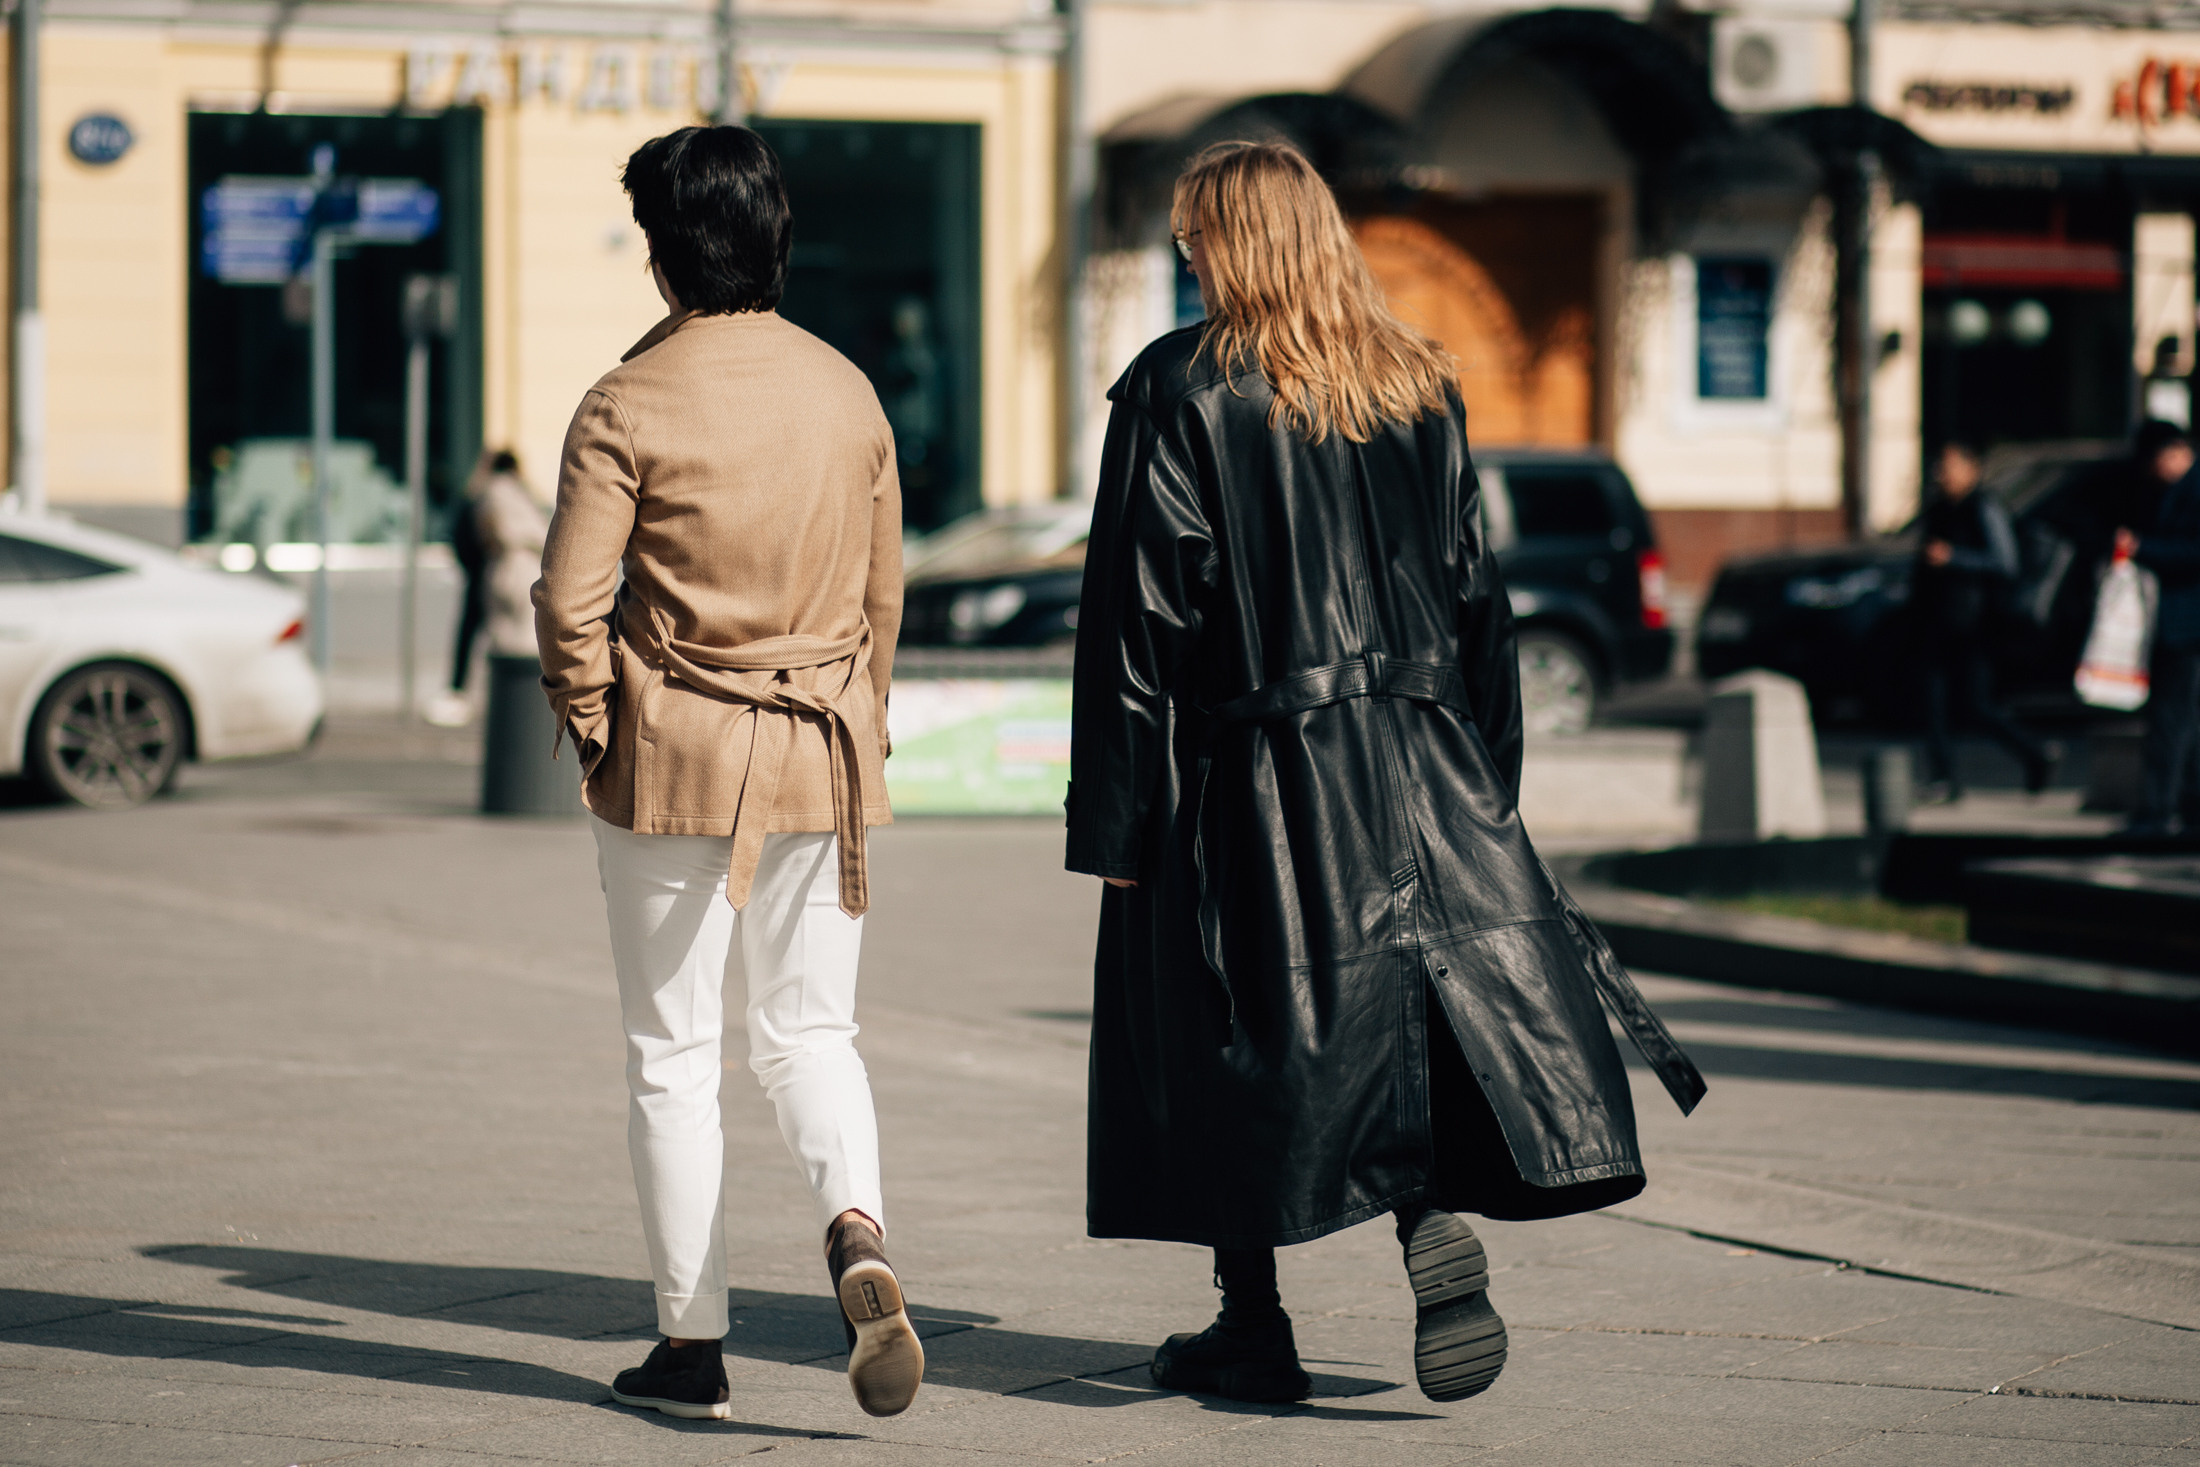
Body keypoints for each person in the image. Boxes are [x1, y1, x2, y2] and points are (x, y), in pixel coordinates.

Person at [1064, 141, 1705, 1407]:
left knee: (1227, 1032)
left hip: (1254, 763)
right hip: (1425, 758)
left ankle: (1252, 1323)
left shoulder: (1178, 388)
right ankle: (1423, 1226)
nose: (1184, 255)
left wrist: (1120, 826)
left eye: (1196, 235)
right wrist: (1486, 787)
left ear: (1237, 241)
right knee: (1404, 1008)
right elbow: (1481, 601)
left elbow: (1134, 626)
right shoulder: (1418, 383)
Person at [532, 124, 918, 1422]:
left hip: (675, 757)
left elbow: (567, 602)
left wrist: (593, 724)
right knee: (814, 1033)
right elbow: (881, 602)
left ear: (660, 254)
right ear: (777, 237)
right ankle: (857, 1230)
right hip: (822, 752)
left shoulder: (627, 400)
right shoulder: (848, 389)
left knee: (671, 1053)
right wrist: (857, 719)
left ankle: (693, 1342)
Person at [1913, 441, 2054, 803]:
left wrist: (1953, 558)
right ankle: (1943, 778)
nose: (1942, 475)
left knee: (1976, 704)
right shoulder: (1939, 509)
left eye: (1950, 466)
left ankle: (2035, 753)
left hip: (1975, 624)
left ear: (1972, 469)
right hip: (1937, 619)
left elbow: (2004, 562)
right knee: (1933, 702)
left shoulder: (1984, 507)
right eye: (1939, 467)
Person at [2120, 420, 2200, 833]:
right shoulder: (2180, 488)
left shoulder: (2192, 487)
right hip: (2182, 622)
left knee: (2172, 719)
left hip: (2187, 623)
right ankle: (2185, 806)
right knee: (2184, 718)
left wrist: (2143, 548)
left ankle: (2157, 810)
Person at [425, 452, 501, 728]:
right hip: (495, 581)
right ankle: (467, 691)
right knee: (498, 640)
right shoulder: (494, 498)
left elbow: (460, 539)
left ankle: (459, 690)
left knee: (471, 638)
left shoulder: (478, 497)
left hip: (483, 580)